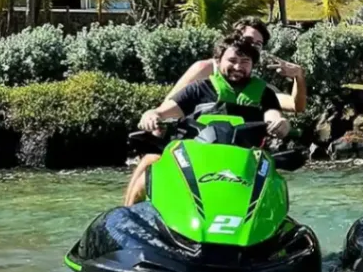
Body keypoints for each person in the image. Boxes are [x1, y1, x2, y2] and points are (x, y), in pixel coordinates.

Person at [123, 36, 290, 206]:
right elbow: (163, 111)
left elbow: (273, 116)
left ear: (253, 65)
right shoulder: (198, 89)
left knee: (276, 183)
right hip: (196, 161)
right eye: (232, 60)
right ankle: (127, 217)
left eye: (245, 61)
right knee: (147, 176)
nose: (238, 67)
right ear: (218, 62)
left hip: (245, 164)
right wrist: (151, 115)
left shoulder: (264, 93)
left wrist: (282, 124)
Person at [171, 17, 305, 114]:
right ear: (234, 37)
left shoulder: (254, 83)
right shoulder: (205, 69)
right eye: (248, 40)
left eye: (258, 44)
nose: (252, 46)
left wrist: (298, 76)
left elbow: (295, 105)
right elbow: (170, 106)